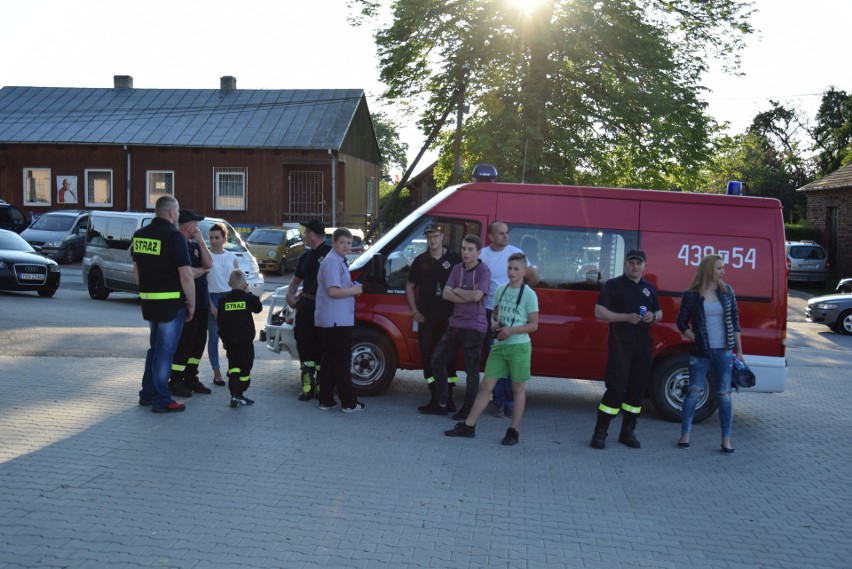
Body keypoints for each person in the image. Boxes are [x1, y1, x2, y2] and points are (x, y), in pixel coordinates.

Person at [445, 253, 539, 445]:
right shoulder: (501, 290)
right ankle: (469, 426)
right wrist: (495, 324)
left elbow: (534, 325)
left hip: (519, 347)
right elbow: (494, 315)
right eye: (509, 268)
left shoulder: (529, 294)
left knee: (517, 389)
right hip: (499, 346)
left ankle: (513, 431)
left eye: (516, 269)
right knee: (486, 386)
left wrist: (511, 330)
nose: (511, 272)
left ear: (524, 271)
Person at [590, 249, 661, 449]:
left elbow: (659, 311)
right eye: (631, 262)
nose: (635, 266)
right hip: (620, 344)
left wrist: (653, 317)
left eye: (639, 263)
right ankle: (600, 432)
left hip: (643, 345)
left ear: (645, 266)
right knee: (616, 387)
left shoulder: (649, 288)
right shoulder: (613, 285)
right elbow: (599, 311)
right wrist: (625, 317)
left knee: (637, 390)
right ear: (625, 264)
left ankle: (627, 432)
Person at [132, 196, 195, 413]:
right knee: (165, 353)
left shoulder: (140, 235)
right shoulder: (174, 236)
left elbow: (136, 270)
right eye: (177, 212)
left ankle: (147, 393)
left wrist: (146, 290)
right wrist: (192, 304)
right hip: (170, 304)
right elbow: (186, 275)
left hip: (149, 303)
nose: (178, 216)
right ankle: (161, 399)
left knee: (155, 348)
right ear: (170, 213)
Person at [676, 254, 743, 454]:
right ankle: (685, 434)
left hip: (724, 350)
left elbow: (735, 321)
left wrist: (739, 351)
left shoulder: (727, 291)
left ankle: (726, 439)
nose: (723, 271)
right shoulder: (692, 294)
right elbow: (681, 322)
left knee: (724, 395)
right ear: (708, 270)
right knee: (694, 391)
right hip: (701, 351)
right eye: (719, 268)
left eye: (723, 268)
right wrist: (693, 336)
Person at [422, 234, 491, 420]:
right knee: (436, 361)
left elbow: (477, 297)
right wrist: (466, 294)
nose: (465, 252)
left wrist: (458, 291)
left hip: (475, 327)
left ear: (478, 252)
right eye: (463, 248)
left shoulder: (483, 270)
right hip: (455, 324)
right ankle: (442, 402)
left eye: (470, 249)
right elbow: (445, 293)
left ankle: (468, 409)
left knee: (471, 371)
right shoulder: (456, 268)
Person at [478, 222, 537, 418]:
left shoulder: (516, 252)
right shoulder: (483, 255)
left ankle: (510, 401)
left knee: (512, 361)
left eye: (506, 233)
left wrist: (521, 295)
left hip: (515, 314)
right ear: (491, 237)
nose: (506, 236)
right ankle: (499, 402)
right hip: (491, 312)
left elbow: (533, 277)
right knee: (497, 356)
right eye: (501, 234)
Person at [406, 222, 462, 412]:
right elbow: (409, 286)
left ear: (441, 237)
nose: (432, 240)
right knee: (429, 358)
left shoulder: (455, 258)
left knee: (449, 359)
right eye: (429, 237)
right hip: (427, 320)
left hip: (449, 319)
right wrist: (414, 311)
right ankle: (434, 397)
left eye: (435, 236)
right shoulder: (421, 261)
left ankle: (449, 398)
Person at [315, 227, 365, 412]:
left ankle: (326, 399)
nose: (346, 246)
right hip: (337, 320)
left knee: (328, 361)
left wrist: (351, 287)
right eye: (342, 242)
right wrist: (354, 290)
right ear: (334, 243)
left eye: (349, 243)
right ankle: (349, 403)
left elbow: (337, 287)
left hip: (333, 319)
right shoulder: (332, 262)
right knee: (341, 362)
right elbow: (333, 291)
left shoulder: (337, 261)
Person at [168, 209, 214, 398]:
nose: (198, 226)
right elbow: (188, 273)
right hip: (187, 303)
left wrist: (201, 241)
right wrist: (201, 271)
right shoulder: (178, 245)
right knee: (185, 344)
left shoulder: (194, 245)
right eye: (196, 223)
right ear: (187, 226)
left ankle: (191, 377)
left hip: (202, 302)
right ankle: (176, 380)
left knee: (198, 343)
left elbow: (209, 263)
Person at [286, 219, 332, 401]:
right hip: (305, 307)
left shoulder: (331, 255)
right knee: (304, 345)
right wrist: (289, 295)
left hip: (324, 308)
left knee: (322, 347)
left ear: (312, 234)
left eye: (305, 233)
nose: (304, 236)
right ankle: (307, 386)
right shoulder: (305, 257)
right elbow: (296, 281)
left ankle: (322, 385)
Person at [217, 269, 264, 407]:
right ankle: (240, 392)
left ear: (229, 283)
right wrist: (248, 291)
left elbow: (220, 322)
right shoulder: (248, 298)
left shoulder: (223, 301)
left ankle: (234, 395)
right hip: (245, 343)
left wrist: (224, 339)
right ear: (245, 284)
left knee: (233, 367)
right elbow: (259, 308)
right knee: (245, 369)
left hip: (230, 343)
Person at [206, 222, 239, 387]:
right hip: (212, 298)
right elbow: (203, 284)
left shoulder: (232, 258)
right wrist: (211, 306)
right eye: (211, 237)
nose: (213, 241)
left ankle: (233, 368)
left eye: (217, 237)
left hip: (229, 298)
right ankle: (216, 372)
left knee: (231, 337)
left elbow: (236, 283)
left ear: (224, 238)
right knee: (213, 337)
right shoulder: (206, 256)